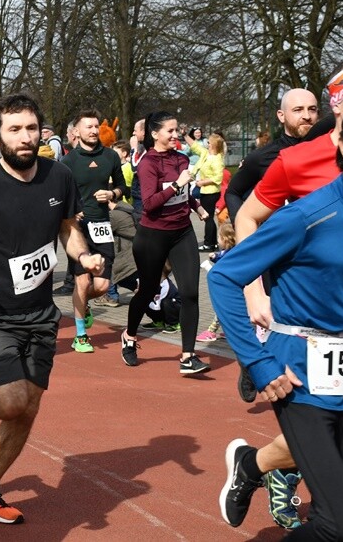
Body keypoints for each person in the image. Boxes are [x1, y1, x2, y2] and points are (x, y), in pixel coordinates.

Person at [210, 99, 343, 541]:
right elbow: (224, 277)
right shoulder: (305, 216)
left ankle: (253, 467)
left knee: (328, 519)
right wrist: (258, 362)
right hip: (297, 377)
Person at [0, 93, 104, 525]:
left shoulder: (59, 177)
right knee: (10, 400)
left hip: (41, 312)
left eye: (31, 128)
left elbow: (68, 228)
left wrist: (84, 257)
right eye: (14, 130)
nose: (25, 137)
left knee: (28, 407)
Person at [121, 111, 211, 375]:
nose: (175, 135)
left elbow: (182, 191)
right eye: (170, 131)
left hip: (182, 232)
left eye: (176, 130)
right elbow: (149, 204)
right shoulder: (148, 164)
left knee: (190, 293)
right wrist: (176, 187)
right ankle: (129, 335)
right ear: (155, 133)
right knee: (147, 290)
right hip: (152, 236)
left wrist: (196, 206)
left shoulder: (181, 159)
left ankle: (187, 356)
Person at [60, 109, 127, 352]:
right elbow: (60, 193)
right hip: (78, 229)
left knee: (100, 286)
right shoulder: (68, 161)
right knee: (81, 281)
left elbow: (122, 186)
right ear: (76, 132)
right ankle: (80, 335)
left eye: (96, 125)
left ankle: (83, 306)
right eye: (88, 126)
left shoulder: (110, 157)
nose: (93, 130)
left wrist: (111, 194)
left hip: (102, 225)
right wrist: (71, 210)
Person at [224, 89, 319, 222]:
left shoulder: (332, 149)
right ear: (281, 115)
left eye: (312, 109)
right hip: (283, 239)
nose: (307, 116)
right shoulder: (262, 157)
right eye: (298, 110)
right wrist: (245, 232)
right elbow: (233, 193)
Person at [185, 131, 226, 251]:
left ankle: (209, 243)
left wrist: (202, 182)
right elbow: (195, 146)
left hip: (211, 192)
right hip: (205, 191)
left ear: (213, 144)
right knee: (208, 217)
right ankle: (212, 242)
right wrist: (185, 135)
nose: (207, 144)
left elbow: (217, 178)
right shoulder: (206, 154)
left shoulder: (217, 159)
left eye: (208, 142)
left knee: (207, 217)